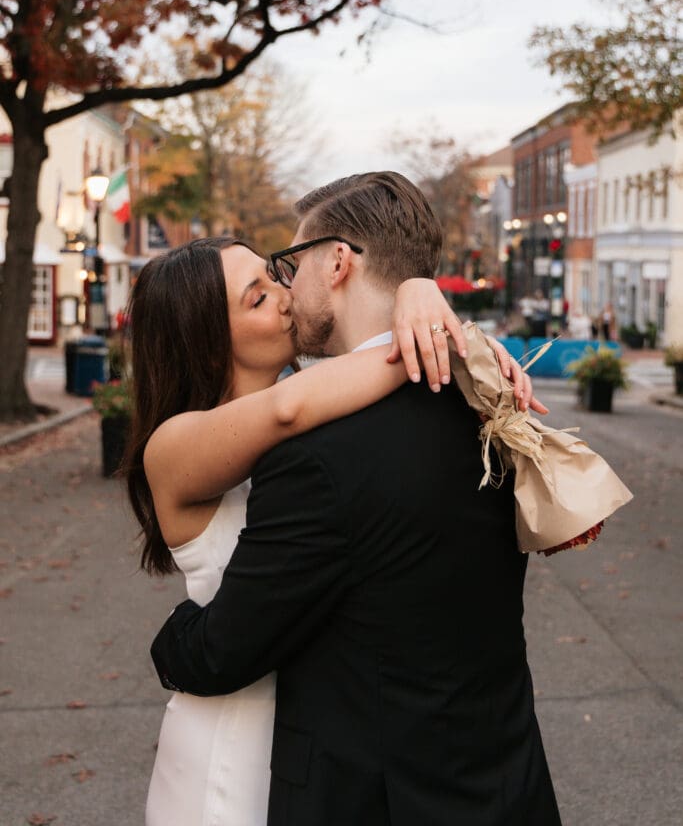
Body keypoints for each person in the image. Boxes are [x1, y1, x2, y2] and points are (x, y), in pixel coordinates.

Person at [150, 171, 560, 826]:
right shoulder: (480, 408)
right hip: (499, 781)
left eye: (286, 267)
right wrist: (452, 329)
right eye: (259, 292)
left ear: (337, 260)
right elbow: (287, 408)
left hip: (365, 787)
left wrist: (168, 642)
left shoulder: (317, 456)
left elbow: (224, 648)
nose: (286, 292)